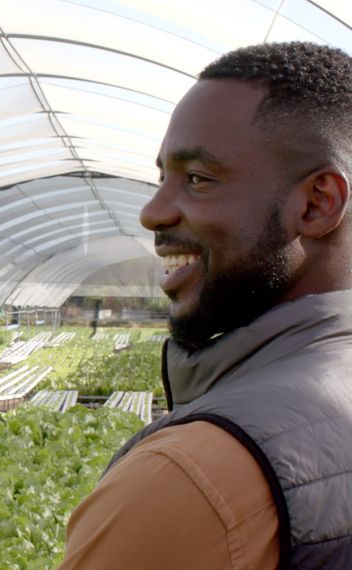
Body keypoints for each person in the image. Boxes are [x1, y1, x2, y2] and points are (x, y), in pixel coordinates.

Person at [61, 42, 352, 569]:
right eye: (162, 179)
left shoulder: (190, 479)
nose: (151, 213)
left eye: (197, 178)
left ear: (316, 203)